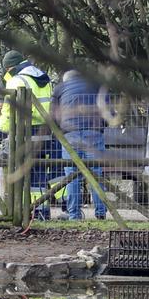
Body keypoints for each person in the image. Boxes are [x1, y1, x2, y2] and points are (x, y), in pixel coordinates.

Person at [0, 50, 55, 219]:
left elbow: (8, 113)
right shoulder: (43, 77)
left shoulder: (17, 81)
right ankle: (41, 213)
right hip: (44, 132)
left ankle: (18, 212)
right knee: (38, 173)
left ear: (9, 68)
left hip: (23, 134)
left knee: (18, 172)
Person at [52, 64, 108, 221]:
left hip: (70, 134)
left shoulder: (59, 88)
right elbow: (107, 109)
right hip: (93, 133)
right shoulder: (95, 85)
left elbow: (53, 116)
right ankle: (101, 213)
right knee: (95, 174)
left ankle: (74, 215)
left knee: (72, 175)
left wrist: (61, 132)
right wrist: (102, 126)